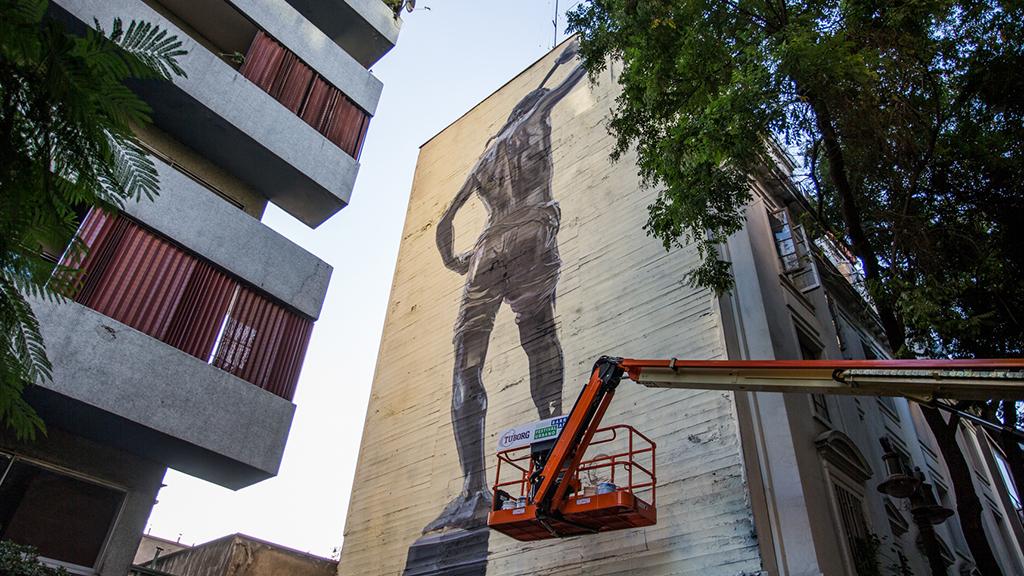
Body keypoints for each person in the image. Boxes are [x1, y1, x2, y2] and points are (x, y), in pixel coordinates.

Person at [425, 41, 586, 533]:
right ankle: (552, 452)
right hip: (531, 232)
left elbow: (444, 223)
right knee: (539, 336)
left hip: (487, 250)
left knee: (466, 365)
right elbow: (572, 79)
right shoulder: (535, 117)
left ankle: (473, 489)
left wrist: (456, 262)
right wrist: (586, 51)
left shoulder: (482, 160)